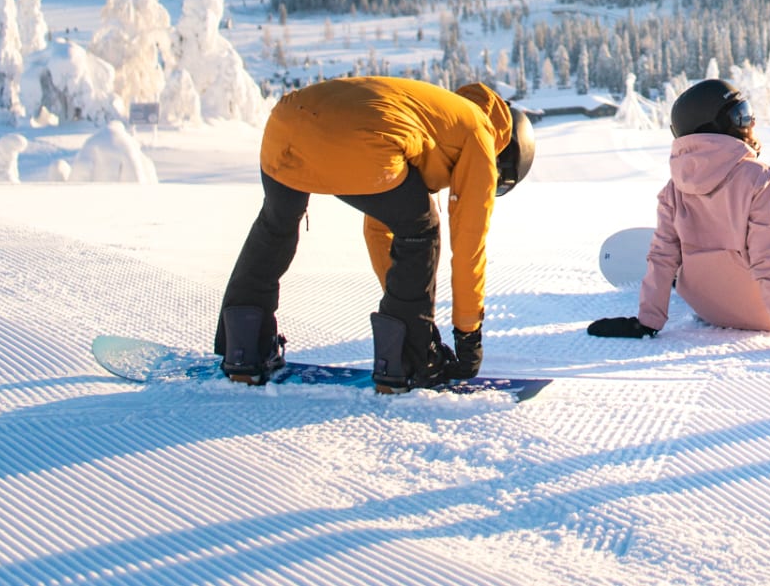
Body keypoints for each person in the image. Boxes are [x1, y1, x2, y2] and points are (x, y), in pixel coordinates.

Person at [215, 75, 536, 391]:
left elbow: (380, 226)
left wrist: (409, 309)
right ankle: (409, 364)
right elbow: (469, 247)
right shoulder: (481, 132)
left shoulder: (436, 114)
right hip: (357, 140)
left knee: (276, 225)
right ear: (504, 155)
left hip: (285, 124)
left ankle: (244, 351)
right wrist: (468, 337)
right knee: (422, 231)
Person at [586, 78, 770, 356]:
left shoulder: (674, 188)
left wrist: (647, 322)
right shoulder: (759, 177)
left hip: (709, 308)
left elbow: (663, 256)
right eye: (741, 115)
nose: (752, 122)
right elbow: (768, 258)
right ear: (722, 127)